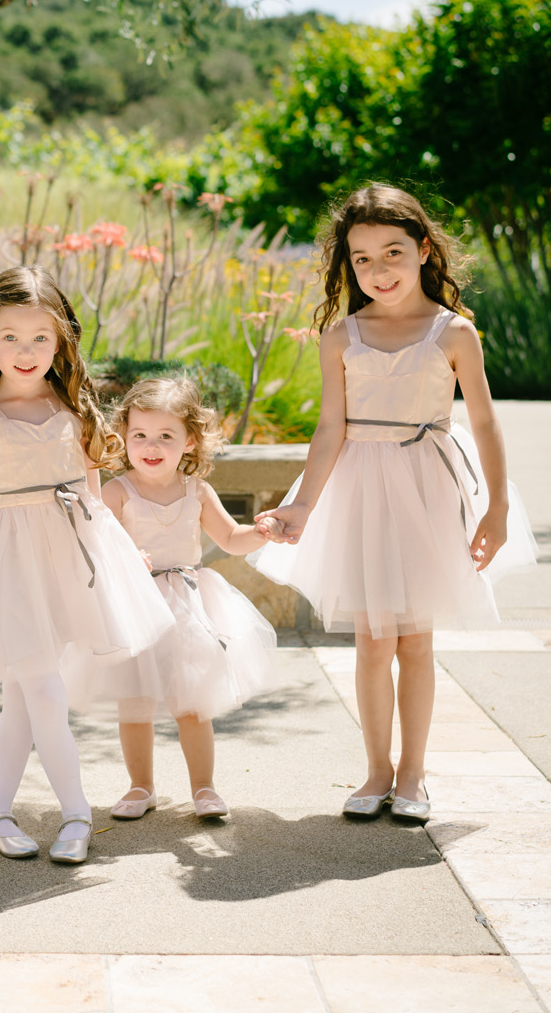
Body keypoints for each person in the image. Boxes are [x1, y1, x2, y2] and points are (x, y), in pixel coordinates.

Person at [255, 185, 536, 823]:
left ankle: (414, 775)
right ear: (347, 265)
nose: (378, 271)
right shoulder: (342, 335)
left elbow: (487, 425)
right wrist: (302, 505)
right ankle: (376, 770)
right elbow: (330, 428)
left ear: (423, 250)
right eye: (361, 259)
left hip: (427, 490)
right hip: (360, 490)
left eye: (392, 253)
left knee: (415, 641)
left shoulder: (454, 331)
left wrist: (494, 507)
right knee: (372, 643)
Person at [0, 266, 172, 865]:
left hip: (69, 560)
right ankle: (77, 814)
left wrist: (123, 551)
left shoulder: (74, 407)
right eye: (11, 338)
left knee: (23, 702)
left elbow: (94, 497)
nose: (26, 352)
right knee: (45, 691)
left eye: (40, 339)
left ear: (61, 341)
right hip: (8, 566)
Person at [63, 377, 277, 821]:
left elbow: (229, 538)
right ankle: (141, 787)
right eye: (139, 435)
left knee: (191, 704)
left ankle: (204, 788)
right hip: (135, 606)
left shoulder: (197, 490)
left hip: (186, 606)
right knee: (135, 703)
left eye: (165, 436)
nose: (151, 446)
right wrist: (125, 557)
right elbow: (98, 543)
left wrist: (257, 533)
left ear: (190, 440)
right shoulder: (118, 491)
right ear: (123, 437)